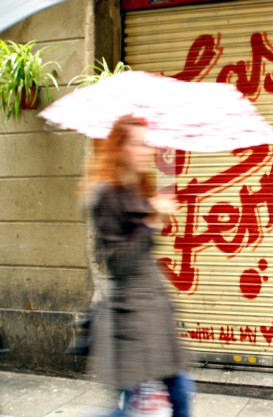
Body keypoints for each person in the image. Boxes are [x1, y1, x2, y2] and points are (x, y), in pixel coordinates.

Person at [82, 115, 194, 417]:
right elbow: (118, 263)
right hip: (132, 323)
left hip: (152, 313)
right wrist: (151, 220)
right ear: (119, 148)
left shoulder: (136, 189)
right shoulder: (104, 195)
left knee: (178, 395)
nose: (148, 150)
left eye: (149, 143)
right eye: (140, 144)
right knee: (147, 406)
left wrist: (155, 215)